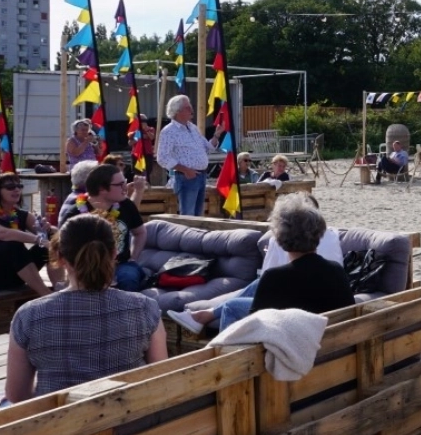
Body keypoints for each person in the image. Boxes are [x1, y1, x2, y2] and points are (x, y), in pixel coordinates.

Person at [5, 214, 166, 402]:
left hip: (60, 426)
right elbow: (159, 381)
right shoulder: (145, 308)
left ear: (59, 256)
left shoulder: (29, 315)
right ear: (114, 253)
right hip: (128, 424)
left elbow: (17, 396)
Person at [169, 194, 346, 334]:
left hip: (293, 347)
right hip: (330, 343)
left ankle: (225, 362)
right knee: (258, 284)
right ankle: (204, 316)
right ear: (319, 231)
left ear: (279, 237)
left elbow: (255, 328)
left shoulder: (275, 277)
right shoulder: (336, 271)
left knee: (231, 307)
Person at [58, 162, 148, 292]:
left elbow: (140, 232)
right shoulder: (75, 213)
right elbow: (62, 246)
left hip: (121, 264)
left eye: (125, 182)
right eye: (119, 184)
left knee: (128, 278)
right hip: (86, 266)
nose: (126, 187)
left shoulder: (126, 205)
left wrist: (133, 258)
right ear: (102, 189)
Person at [0, 172, 55, 296]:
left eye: (19, 186)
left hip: (15, 274)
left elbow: (53, 235)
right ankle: (46, 294)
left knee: (52, 240)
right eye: (10, 187)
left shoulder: (21, 214)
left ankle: (59, 287)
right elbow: (4, 234)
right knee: (13, 244)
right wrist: (40, 240)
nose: (16, 190)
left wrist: (48, 229)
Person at [156, 95, 224, 216]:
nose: (191, 110)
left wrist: (217, 135)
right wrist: (186, 170)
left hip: (201, 176)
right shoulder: (169, 131)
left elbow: (207, 148)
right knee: (188, 216)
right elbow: (162, 157)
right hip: (186, 178)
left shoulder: (193, 127)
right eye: (188, 107)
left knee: (198, 216)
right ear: (177, 111)